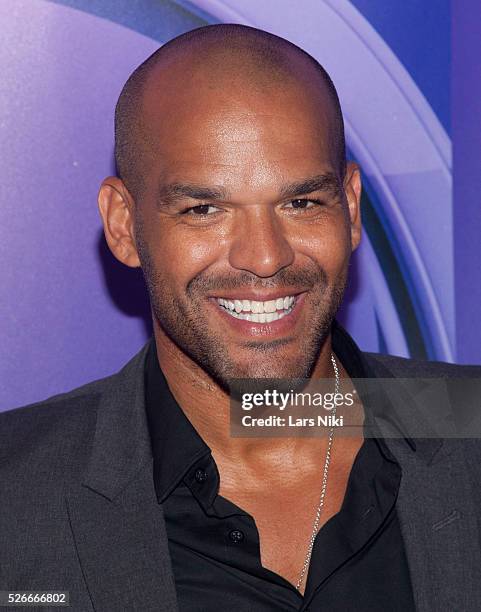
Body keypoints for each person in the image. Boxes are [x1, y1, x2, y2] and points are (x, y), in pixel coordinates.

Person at [1, 24, 480, 612]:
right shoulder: (14, 493)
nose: (265, 256)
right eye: (205, 209)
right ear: (124, 225)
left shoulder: (469, 426)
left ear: (351, 209)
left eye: (301, 202)